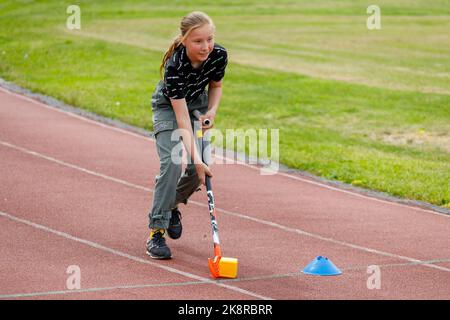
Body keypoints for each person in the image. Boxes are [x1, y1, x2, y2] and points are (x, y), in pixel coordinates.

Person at [147, 11, 228, 259]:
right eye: (198, 41)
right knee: (172, 164)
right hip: (170, 108)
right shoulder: (175, 66)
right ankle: (156, 232)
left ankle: (170, 205)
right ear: (184, 40)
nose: (206, 47)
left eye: (209, 39)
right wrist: (197, 157)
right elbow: (181, 120)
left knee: (198, 171)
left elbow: (216, 86)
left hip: (197, 104)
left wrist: (211, 112)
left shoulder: (218, 55)